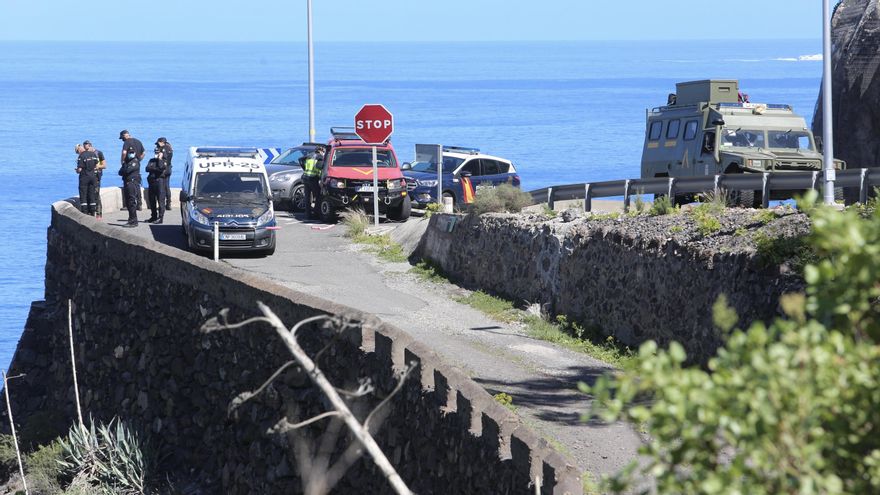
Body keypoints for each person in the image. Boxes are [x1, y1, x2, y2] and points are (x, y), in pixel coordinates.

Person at [118, 130, 145, 227]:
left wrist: (122, 161)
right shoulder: (138, 141)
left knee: (131, 200)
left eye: (122, 138)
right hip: (136, 176)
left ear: (124, 136)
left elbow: (124, 152)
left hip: (131, 179)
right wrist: (138, 159)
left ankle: (133, 221)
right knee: (132, 199)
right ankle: (132, 219)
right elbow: (144, 152)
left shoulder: (127, 142)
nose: (122, 140)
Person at [75, 142, 100, 216]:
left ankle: (85, 212)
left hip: (84, 177)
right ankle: (93, 212)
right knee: (92, 194)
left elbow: (79, 169)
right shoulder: (93, 154)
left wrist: (77, 170)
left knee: (83, 194)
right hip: (93, 177)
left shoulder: (81, 156)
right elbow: (96, 164)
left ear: (80, 149)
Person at [83, 140, 106, 219]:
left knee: (96, 194)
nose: (86, 150)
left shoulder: (98, 153)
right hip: (88, 177)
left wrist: (96, 166)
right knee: (88, 194)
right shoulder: (86, 155)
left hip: (96, 177)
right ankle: (91, 212)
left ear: (90, 146)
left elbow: (104, 165)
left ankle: (99, 213)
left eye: (87, 148)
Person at [145, 144, 167, 224]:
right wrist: (155, 169)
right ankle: (153, 216)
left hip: (159, 182)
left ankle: (160, 218)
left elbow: (161, 169)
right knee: (152, 200)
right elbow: (147, 169)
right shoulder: (151, 160)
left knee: (160, 201)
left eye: (158, 152)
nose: (156, 153)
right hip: (151, 182)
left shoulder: (163, 161)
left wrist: (160, 159)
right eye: (155, 152)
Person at [301, 147, 325, 219]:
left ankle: (308, 214)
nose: (323, 153)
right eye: (323, 151)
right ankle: (316, 213)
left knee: (307, 197)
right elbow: (320, 166)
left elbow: (301, 160)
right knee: (317, 196)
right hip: (313, 178)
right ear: (320, 151)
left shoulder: (309, 155)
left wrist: (304, 168)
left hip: (305, 177)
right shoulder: (320, 157)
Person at [155, 137, 173, 210]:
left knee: (161, 187)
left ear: (161, 142)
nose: (157, 145)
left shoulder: (162, 149)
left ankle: (162, 204)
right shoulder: (170, 148)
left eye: (158, 143)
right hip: (169, 168)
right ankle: (168, 203)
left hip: (162, 170)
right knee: (167, 186)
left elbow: (158, 159)